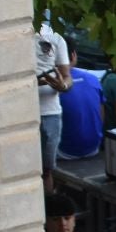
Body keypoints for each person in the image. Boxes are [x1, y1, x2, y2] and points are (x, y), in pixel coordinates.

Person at [35, 21, 72, 195]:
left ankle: (48, 213)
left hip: (49, 113)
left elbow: (66, 76)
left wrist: (62, 86)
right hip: (20, 114)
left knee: (47, 170)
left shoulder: (55, 37)